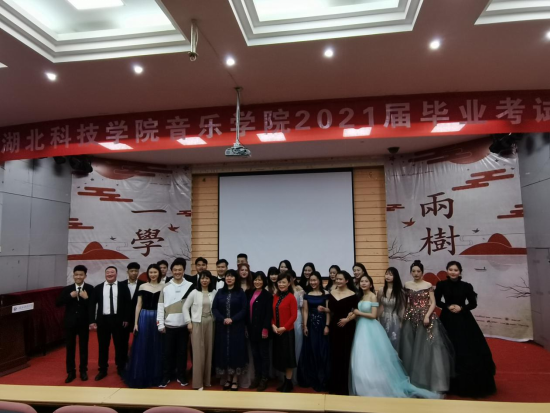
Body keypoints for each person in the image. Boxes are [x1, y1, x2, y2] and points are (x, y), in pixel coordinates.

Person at [350, 274, 440, 399]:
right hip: (361, 327)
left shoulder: (373, 296)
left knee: (372, 355)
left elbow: (373, 315)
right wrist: (350, 316)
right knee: (361, 355)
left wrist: (358, 312)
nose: (363, 283)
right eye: (362, 281)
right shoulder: (360, 296)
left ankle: (375, 383)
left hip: (370, 327)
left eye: (366, 281)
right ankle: (362, 383)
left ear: (371, 284)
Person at [435, 261, 497, 398]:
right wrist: (447, 306)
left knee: (466, 348)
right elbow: (437, 301)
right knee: (447, 347)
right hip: (447, 319)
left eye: (455, 270)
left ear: (460, 272)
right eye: (450, 269)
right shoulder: (441, 285)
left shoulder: (466, 286)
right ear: (447, 271)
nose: (453, 272)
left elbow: (473, 304)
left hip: (464, 319)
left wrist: (462, 308)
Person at [399, 260, 454, 394]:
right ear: (411, 272)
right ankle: (409, 377)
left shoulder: (428, 285)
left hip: (425, 318)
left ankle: (425, 379)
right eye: (413, 271)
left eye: (418, 271)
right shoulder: (407, 284)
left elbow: (433, 302)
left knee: (426, 349)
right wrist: (403, 316)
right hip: (410, 317)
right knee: (409, 347)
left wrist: (427, 316)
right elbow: (405, 303)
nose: (416, 273)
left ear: (422, 272)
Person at [157, 258, 196, 388]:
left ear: (184, 271)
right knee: (167, 353)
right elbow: (160, 306)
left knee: (182, 353)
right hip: (168, 326)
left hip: (184, 326)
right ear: (171, 271)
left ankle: (181, 375)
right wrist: (160, 324)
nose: (177, 272)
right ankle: (166, 376)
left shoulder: (190, 285)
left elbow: (193, 306)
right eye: (175, 270)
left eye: (180, 270)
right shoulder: (165, 286)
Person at [89, 266, 132, 381]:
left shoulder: (123, 287)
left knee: (120, 346)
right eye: (107, 272)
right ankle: (102, 369)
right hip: (103, 321)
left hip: (119, 320)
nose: (109, 274)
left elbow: (128, 304)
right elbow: (92, 305)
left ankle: (120, 367)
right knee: (103, 346)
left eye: (112, 272)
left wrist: (126, 318)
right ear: (105, 274)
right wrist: (92, 320)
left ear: (116, 274)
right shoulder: (98, 288)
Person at [125, 264, 164, 388]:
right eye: (151, 272)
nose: (153, 274)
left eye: (155, 272)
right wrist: (135, 323)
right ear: (148, 273)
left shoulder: (164, 286)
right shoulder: (142, 286)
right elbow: (138, 305)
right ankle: (140, 374)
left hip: (158, 317)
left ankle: (155, 375)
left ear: (159, 273)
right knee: (142, 345)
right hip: (144, 317)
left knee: (156, 345)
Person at [320, 270, 358, 395]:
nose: (338, 281)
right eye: (337, 279)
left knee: (345, 355)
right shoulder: (332, 293)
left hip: (347, 326)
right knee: (334, 355)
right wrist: (324, 309)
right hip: (334, 326)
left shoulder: (353, 294)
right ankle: (334, 385)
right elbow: (332, 310)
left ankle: (344, 387)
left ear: (347, 280)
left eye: (341, 279)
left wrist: (347, 320)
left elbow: (356, 311)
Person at [56, 265, 94, 383]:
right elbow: (58, 303)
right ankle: (70, 372)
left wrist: (86, 298)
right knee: (70, 348)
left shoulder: (90, 288)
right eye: (76, 274)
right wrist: (70, 296)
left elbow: (92, 306)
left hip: (83, 323)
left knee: (83, 348)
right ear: (73, 275)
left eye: (81, 275)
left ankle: (83, 371)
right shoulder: (68, 289)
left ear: (85, 276)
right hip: (70, 323)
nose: (78, 277)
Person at [212, 270, 248, 392]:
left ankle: (235, 380)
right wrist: (223, 319)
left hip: (237, 327)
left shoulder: (240, 292)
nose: (229, 278)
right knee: (224, 352)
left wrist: (232, 319)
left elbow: (244, 309)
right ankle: (228, 378)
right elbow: (214, 308)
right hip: (222, 327)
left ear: (235, 279)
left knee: (235, 352)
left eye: (232, 276)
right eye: (227, 276)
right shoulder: (220, 292)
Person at [184, 271, 218, 391]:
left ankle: (206, 380)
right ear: (199, 280)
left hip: (211, 322)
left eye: (207, 278)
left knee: (209, 351)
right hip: (197, 323)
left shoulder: (214, 292)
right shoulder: (194, 292)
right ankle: (198, 383)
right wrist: (188, 322)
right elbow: (185, 307)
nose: (204, 280)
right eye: (202, 278)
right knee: (198, 353)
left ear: (210, 280)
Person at [297, 272, 331, 392]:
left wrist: (327, 325)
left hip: (322, 325)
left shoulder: (326, 294)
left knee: (322, 351)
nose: (313, 282)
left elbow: (328, 311)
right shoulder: (307, 295)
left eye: (315, 280)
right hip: (311, 326)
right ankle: (313, 377)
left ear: (319, 281)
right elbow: (305, 311)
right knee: (311, 350)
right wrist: (305, 325)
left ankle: (323, 378)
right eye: (311, 280)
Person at [246, 272, 273, 392]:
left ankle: (264, 378)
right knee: (255, 355)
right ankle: (257, 377)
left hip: (262, 330)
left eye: (260, 280)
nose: (257, 282)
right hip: (252, 329)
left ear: (264, 281)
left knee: (264, 355)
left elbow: (268, 314)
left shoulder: (267, 295)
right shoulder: (250, 293)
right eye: (256, 280)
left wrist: (266, 329)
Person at [272, 272, 298, 393]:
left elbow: (294, 316)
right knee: (281, 357)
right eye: (279, 282)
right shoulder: (275, 296)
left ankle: (289, 382)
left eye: (283, 282)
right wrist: (273, 325)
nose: (281, 284)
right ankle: (285, 382)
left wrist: (284, 328)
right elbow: (272, 313)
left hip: (287, 332)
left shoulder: (291, 297)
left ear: (289, 283)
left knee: (288, 358)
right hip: (277, 331)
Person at [120, 262, 145, 365]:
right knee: (123, 341)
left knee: (139, 339)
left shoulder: (143, 285)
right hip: (124, 318)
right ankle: (123, 361)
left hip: (138, 317)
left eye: (136, 271)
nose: (134, 273)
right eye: (132, 271)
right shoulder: (121, 285)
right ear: (127, 272)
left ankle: (137, 360)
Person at [378, 267, 406, 352]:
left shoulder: (400, 292)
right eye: (386, 274)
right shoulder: (381, 290)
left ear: (395, 276)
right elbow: (378, 305)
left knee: (395, 341)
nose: (387, 276)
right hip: (383, 318)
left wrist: (401, 322)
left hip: (395, 318)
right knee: (383, 341)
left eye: (390, 275)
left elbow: (402, 307)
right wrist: (377, 319)